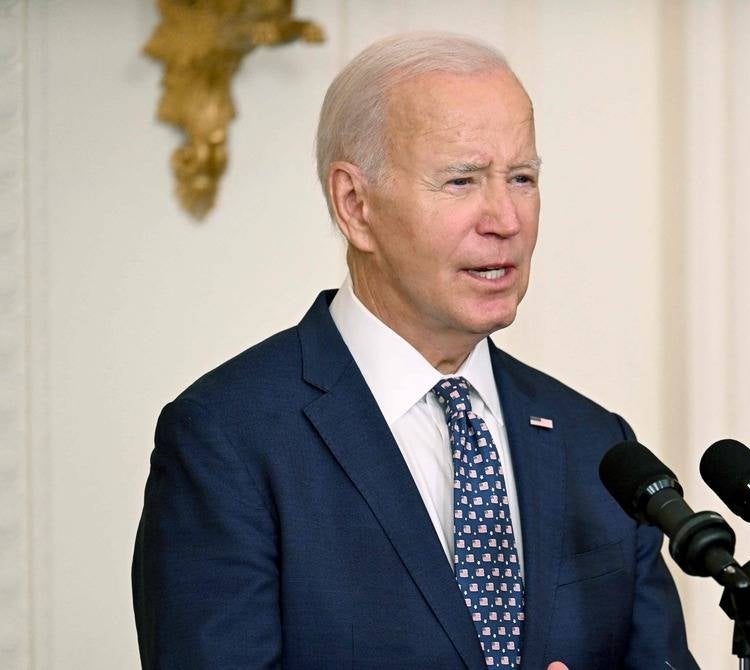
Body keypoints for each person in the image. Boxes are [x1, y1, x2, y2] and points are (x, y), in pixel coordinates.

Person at [132, 32, 698, 670]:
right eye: (461, 180)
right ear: (356, 204)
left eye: (521, 178)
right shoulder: (227, 439)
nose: (505, 218)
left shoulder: (596, 444)